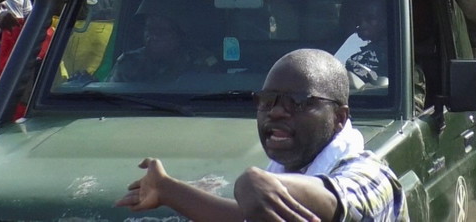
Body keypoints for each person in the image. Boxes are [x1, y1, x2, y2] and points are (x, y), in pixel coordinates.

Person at [117, 48, 405, 221]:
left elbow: (337, 201)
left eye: (298, 102)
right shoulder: (292, 167)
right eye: (268, 101)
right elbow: (248, 216)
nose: (276, 112)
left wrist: (260, 182)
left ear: (339, 118)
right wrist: (169, 190)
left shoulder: (373, 178)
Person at [109, 13, 218, 82]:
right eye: (149, 29)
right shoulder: (129, 62)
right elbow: (111, 98)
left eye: (162, 31)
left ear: (179, 35)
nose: (153, 37)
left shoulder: (201, 60)